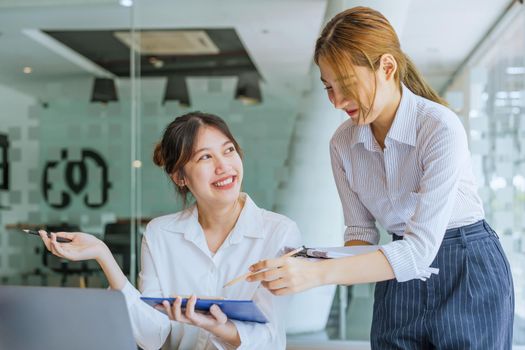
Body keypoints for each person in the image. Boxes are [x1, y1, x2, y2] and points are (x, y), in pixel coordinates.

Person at [248, 6, 514, 349]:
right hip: (396, 268)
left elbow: (420, 250)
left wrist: (317, 276)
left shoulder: (439, 127)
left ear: (387, 67)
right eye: (328, 87)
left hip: (467, 268)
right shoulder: (342, 143)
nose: (337, 101)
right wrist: (308, 259)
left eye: (345, 84)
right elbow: (360, 234)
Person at [39, 112, 301, 350]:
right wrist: (103, 255)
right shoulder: (160, 233)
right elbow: (151, 336)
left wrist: (218, 328)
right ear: (180, 177)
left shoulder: (280, 233)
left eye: (228, 150)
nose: (224, 167)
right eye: (205, 157)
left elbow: (269, 337)